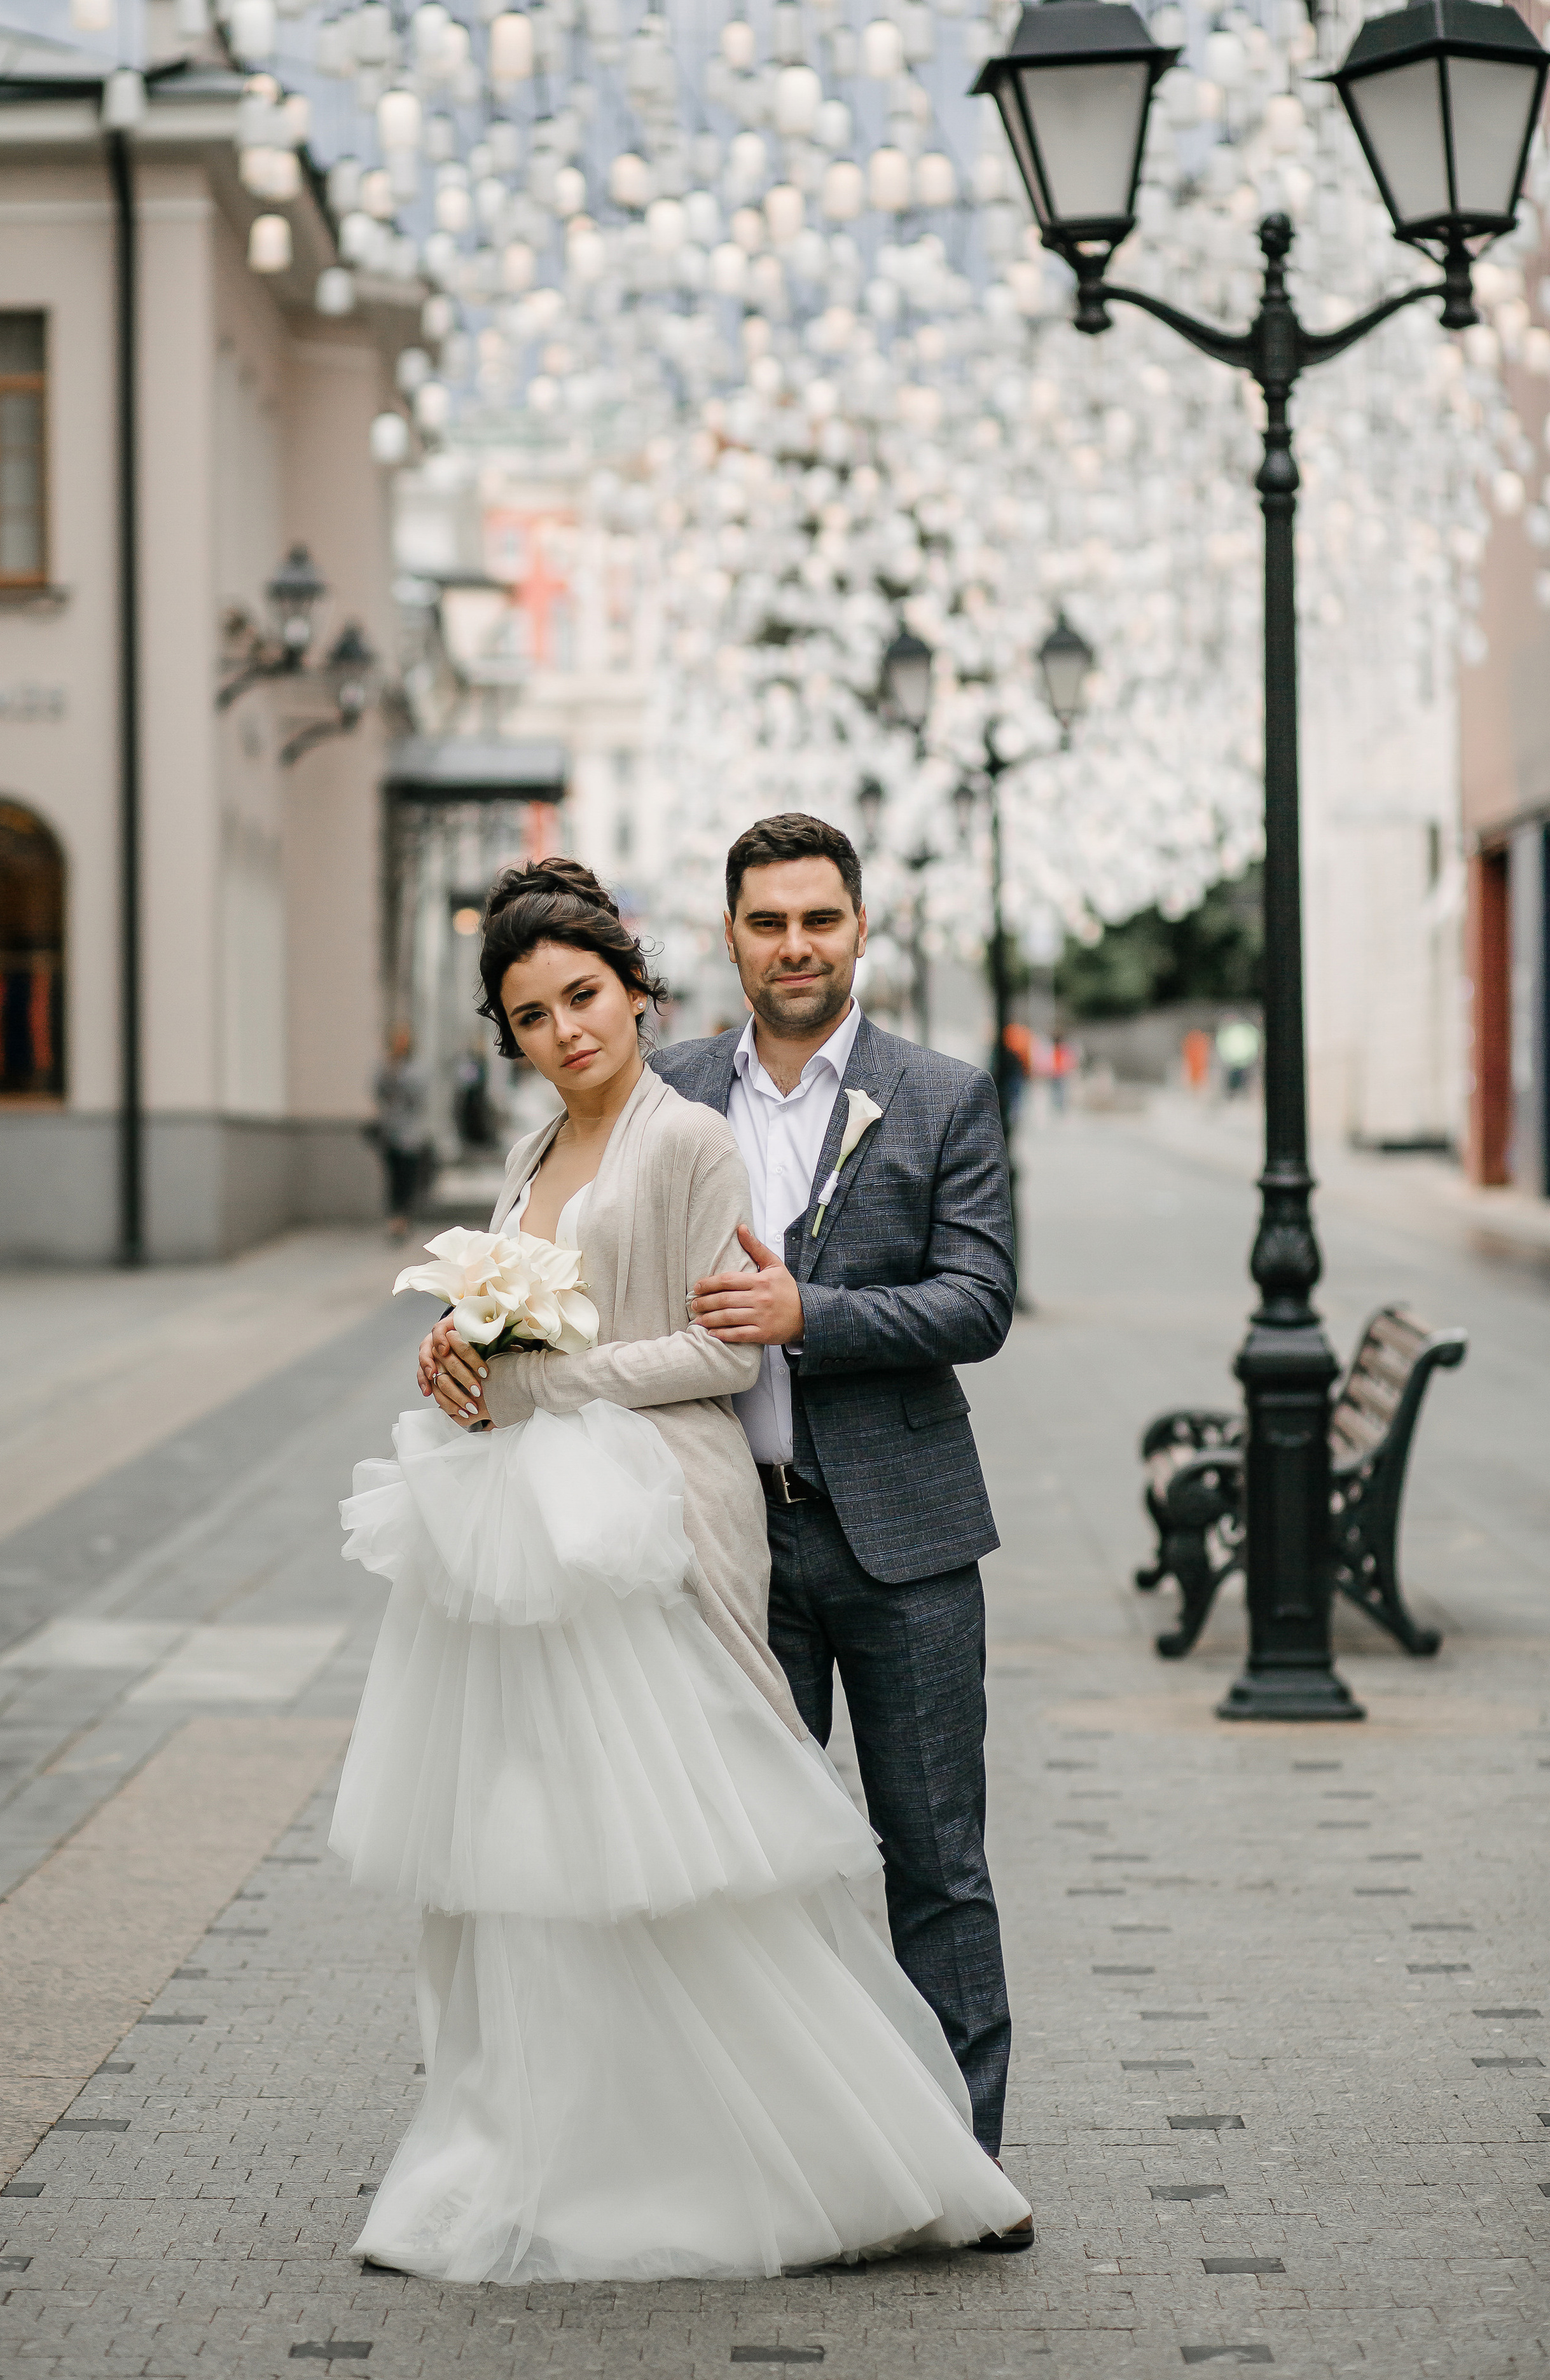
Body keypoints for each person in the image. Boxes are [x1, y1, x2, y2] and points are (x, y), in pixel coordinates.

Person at [350, 856, 1030, 2283]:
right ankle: (708, 2144)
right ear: (721, 943)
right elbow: (559, 1303)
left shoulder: (929, 1097)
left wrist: (798, 1313)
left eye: (817, 919)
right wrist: (469, 1351)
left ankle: (948, 2153)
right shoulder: (644, 1106)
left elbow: (970, 1300)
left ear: (857, 928)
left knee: (929, 1858)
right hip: (691, 1531)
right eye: (766, 922)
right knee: (714, 1863)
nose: (565, 1029)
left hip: (880, 1524)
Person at [373, 1024, 431, 1241]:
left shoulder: (417, 1068)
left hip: (411, 1134)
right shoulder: (386, 1065)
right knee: (393, 1178)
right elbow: (377, 1090)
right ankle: (395, 1219)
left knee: (408, 1178)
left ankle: (404, 1219)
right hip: (390, 1134)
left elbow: (419, 1093)